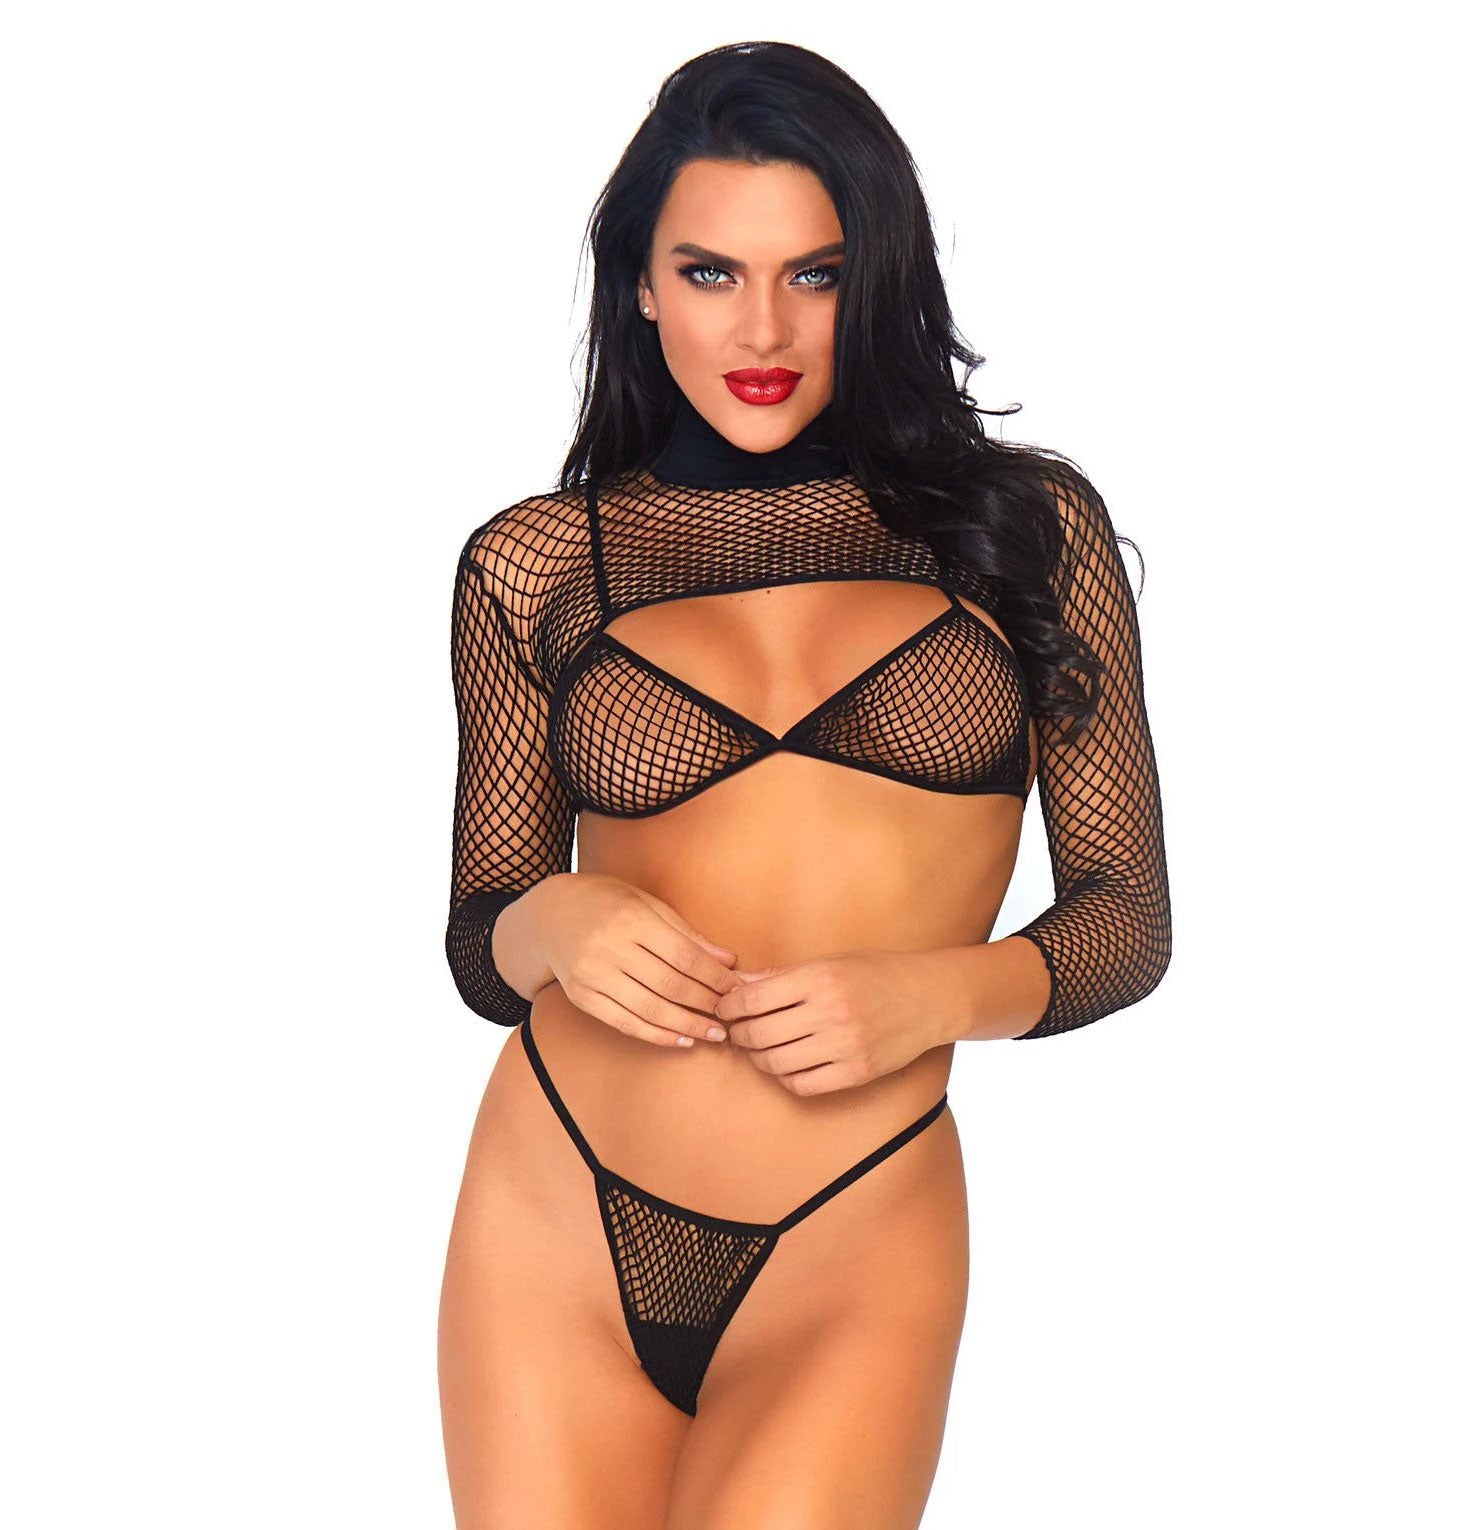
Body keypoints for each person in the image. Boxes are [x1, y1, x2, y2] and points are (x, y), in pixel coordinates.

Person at [437, 40, 1171, 1530]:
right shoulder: (537, 561)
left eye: (813, 275)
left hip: (854, 1227)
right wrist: (553, 921)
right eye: (709, 272)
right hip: (553, 1199)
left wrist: (934, 994)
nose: (761, 327)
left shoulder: (1026, 531)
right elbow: (480, 937)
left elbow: (1127, 917)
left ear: (875, 278)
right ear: (641, 287)